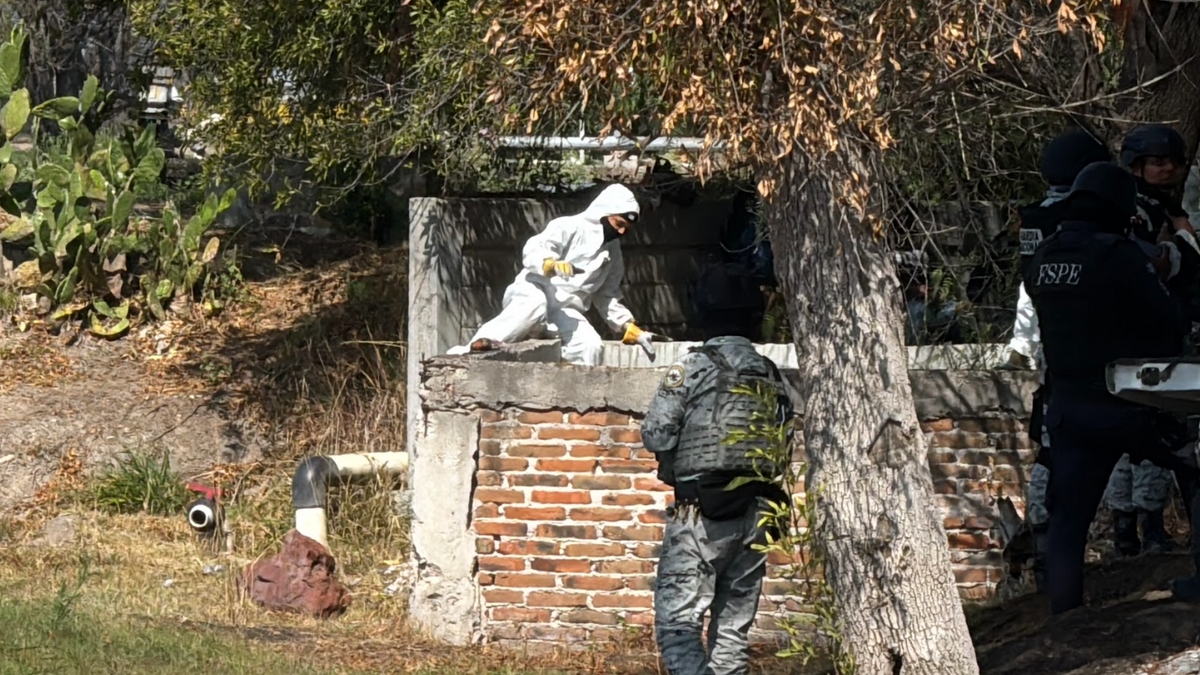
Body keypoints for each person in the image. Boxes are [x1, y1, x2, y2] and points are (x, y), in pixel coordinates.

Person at [1024, 160, 1200, 614]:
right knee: (1195, 469)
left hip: (1069, 409)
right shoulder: (1118, 254)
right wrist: (1171, 260)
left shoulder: (1043, 258)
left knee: (1068, 520)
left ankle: (1064, 615)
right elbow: (1174, 317)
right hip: (1131, 403)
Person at [642, 332, 794, 675]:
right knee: (731, 628)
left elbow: (656, 434)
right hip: (758, 510)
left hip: (699, 513)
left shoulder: (693, 364)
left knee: (678, 625)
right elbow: (785, 443)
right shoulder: (772, 372)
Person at [1003, 128, 1113, 593]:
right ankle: (1054, 547)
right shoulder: (1077, 216)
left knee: (1054, 446)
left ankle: (1049, 546)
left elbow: (1029, 290)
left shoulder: (1037, 219)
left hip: (1052, 351)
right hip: (1084, 352)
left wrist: (1023, 343)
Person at [1102, 124, 1200, 557]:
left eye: (1172, 162)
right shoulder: (1135, 209)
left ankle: (1145, 529)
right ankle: (1138, 531)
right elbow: (1156, 263)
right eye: (1157, 162)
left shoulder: (1165, 205)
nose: (1167, 169)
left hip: (1161, 331)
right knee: (1152, 434)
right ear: (1136, 166)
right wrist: (1181, 239)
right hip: (1140, 336)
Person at [446, 183, 657, 366]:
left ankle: (579, 403)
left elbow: (606, 294)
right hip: (534, 290)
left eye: (626, 228)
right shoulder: (569, 226)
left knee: (590, 346)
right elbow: (535, 248)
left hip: (564, 309)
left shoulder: (613, 252)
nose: (621, 232)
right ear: (603, 214)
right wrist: (549, 265)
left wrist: (626, 325)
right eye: (618, 224)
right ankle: (470, 351)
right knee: (534, 305)